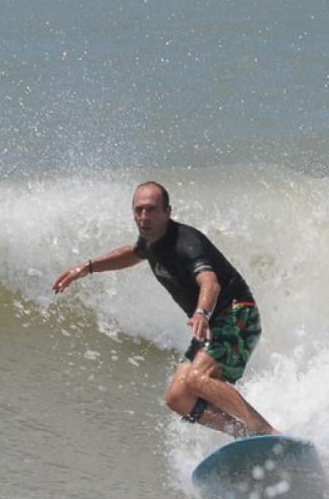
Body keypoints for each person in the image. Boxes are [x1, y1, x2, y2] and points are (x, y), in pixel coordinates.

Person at [52, 181, 278, 438]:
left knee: (196, 378)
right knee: (178, 397)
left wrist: (201, 313)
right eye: (138, 210)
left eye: (151, 209)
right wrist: (87, 267)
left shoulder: (186, 242)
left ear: (167, 211)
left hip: (238, 314)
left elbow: (210, 282)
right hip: (214, 325)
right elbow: (134, 253)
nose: (144, 217)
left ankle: (264, 430)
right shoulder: (149, 241)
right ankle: (242, 434)